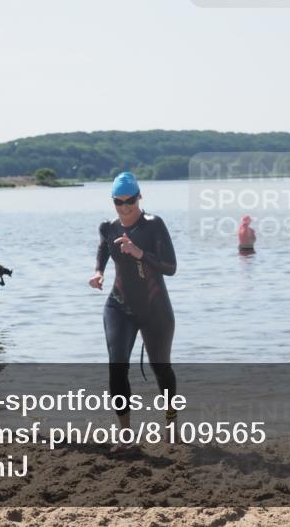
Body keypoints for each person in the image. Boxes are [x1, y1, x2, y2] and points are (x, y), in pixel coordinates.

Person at [89, 172, 178, 450]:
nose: (125, 206)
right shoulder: (108, 226)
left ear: (140, 197)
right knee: (117, 367)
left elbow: (171, 267)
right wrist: (98, 272)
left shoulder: (153, 225)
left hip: (155, 308)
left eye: (130, 200)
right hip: (119, 305)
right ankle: (126, 435)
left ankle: (171, 423)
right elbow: (104, 247)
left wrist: (139, 253)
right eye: (119, 201)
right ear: (113, 200)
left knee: (161, 368)